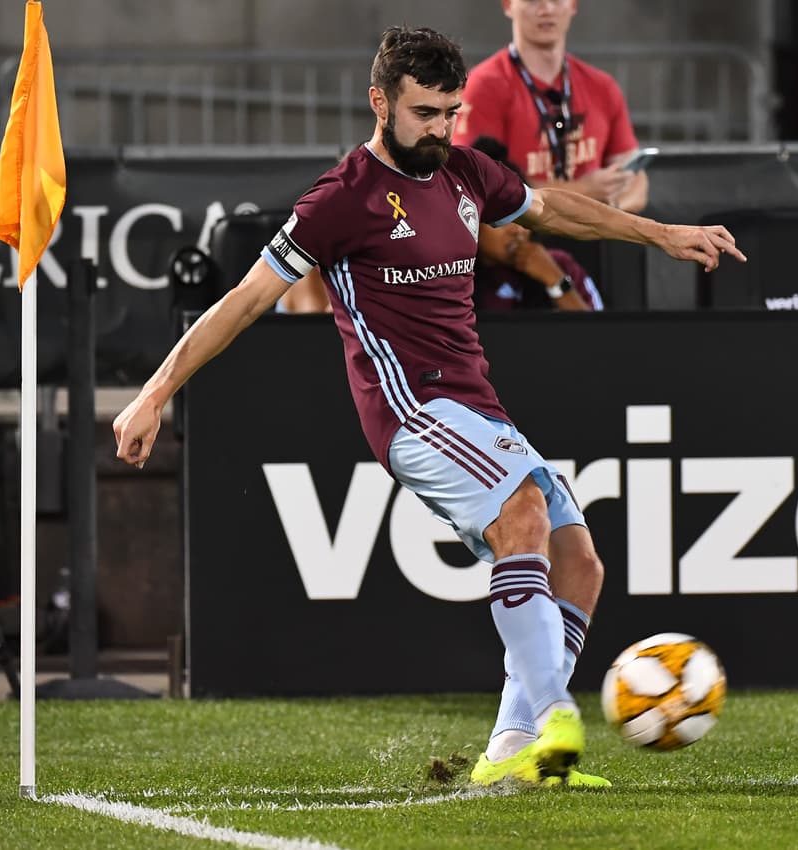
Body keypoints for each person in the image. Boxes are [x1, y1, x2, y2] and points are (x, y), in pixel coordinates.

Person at [113, 26, 743, 787]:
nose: (441, 130)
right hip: (410, 411)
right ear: (379, 101)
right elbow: (245, 302)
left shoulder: (466, 171)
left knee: (580, 564)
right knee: (525, 518)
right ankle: (556, 722)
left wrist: (662, 234)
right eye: (425, 114)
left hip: (476, 405)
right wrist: (154, 393)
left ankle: (512, 753)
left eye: (451, 112)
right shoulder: (339, 198)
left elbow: (554, 212)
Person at [455, 0, 648, 213]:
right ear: (508, 5)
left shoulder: (603, 86)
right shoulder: (484, 86)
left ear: (573, 5)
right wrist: (584, 191)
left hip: (595, 235)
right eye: (532, 0)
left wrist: (608, 211)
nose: (546, 9)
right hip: (526, 234)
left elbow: (637, 182)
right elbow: (480, 182)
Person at [470, 135, 601, 311]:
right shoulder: (453, 279)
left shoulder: (560, 265)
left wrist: (556, 281)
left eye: (522, 215)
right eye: (502, 217)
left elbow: (600, 336)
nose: (518, 230)